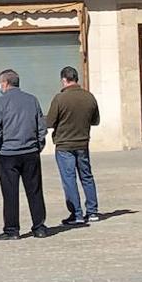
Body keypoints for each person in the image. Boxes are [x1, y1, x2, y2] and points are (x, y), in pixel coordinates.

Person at [0, 69, 49, 240]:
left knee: (10, 193)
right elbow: (41, 127)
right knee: (35, 190)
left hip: (8, 154)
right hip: (30, 152)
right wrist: (38, 145)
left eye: (0, 82)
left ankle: (12, 230)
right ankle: (39, 227)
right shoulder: (32, 100)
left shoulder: (1, 103)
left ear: (5, 83)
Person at [45, 66, 101, 226]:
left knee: (69, 179)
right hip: (83, 142)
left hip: (64, 144)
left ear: (64, 80)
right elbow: (95, 120)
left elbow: (50, 122)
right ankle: (92, 211)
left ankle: (76, 214)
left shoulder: (60, 99)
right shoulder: (89, 97)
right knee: (87, 176)